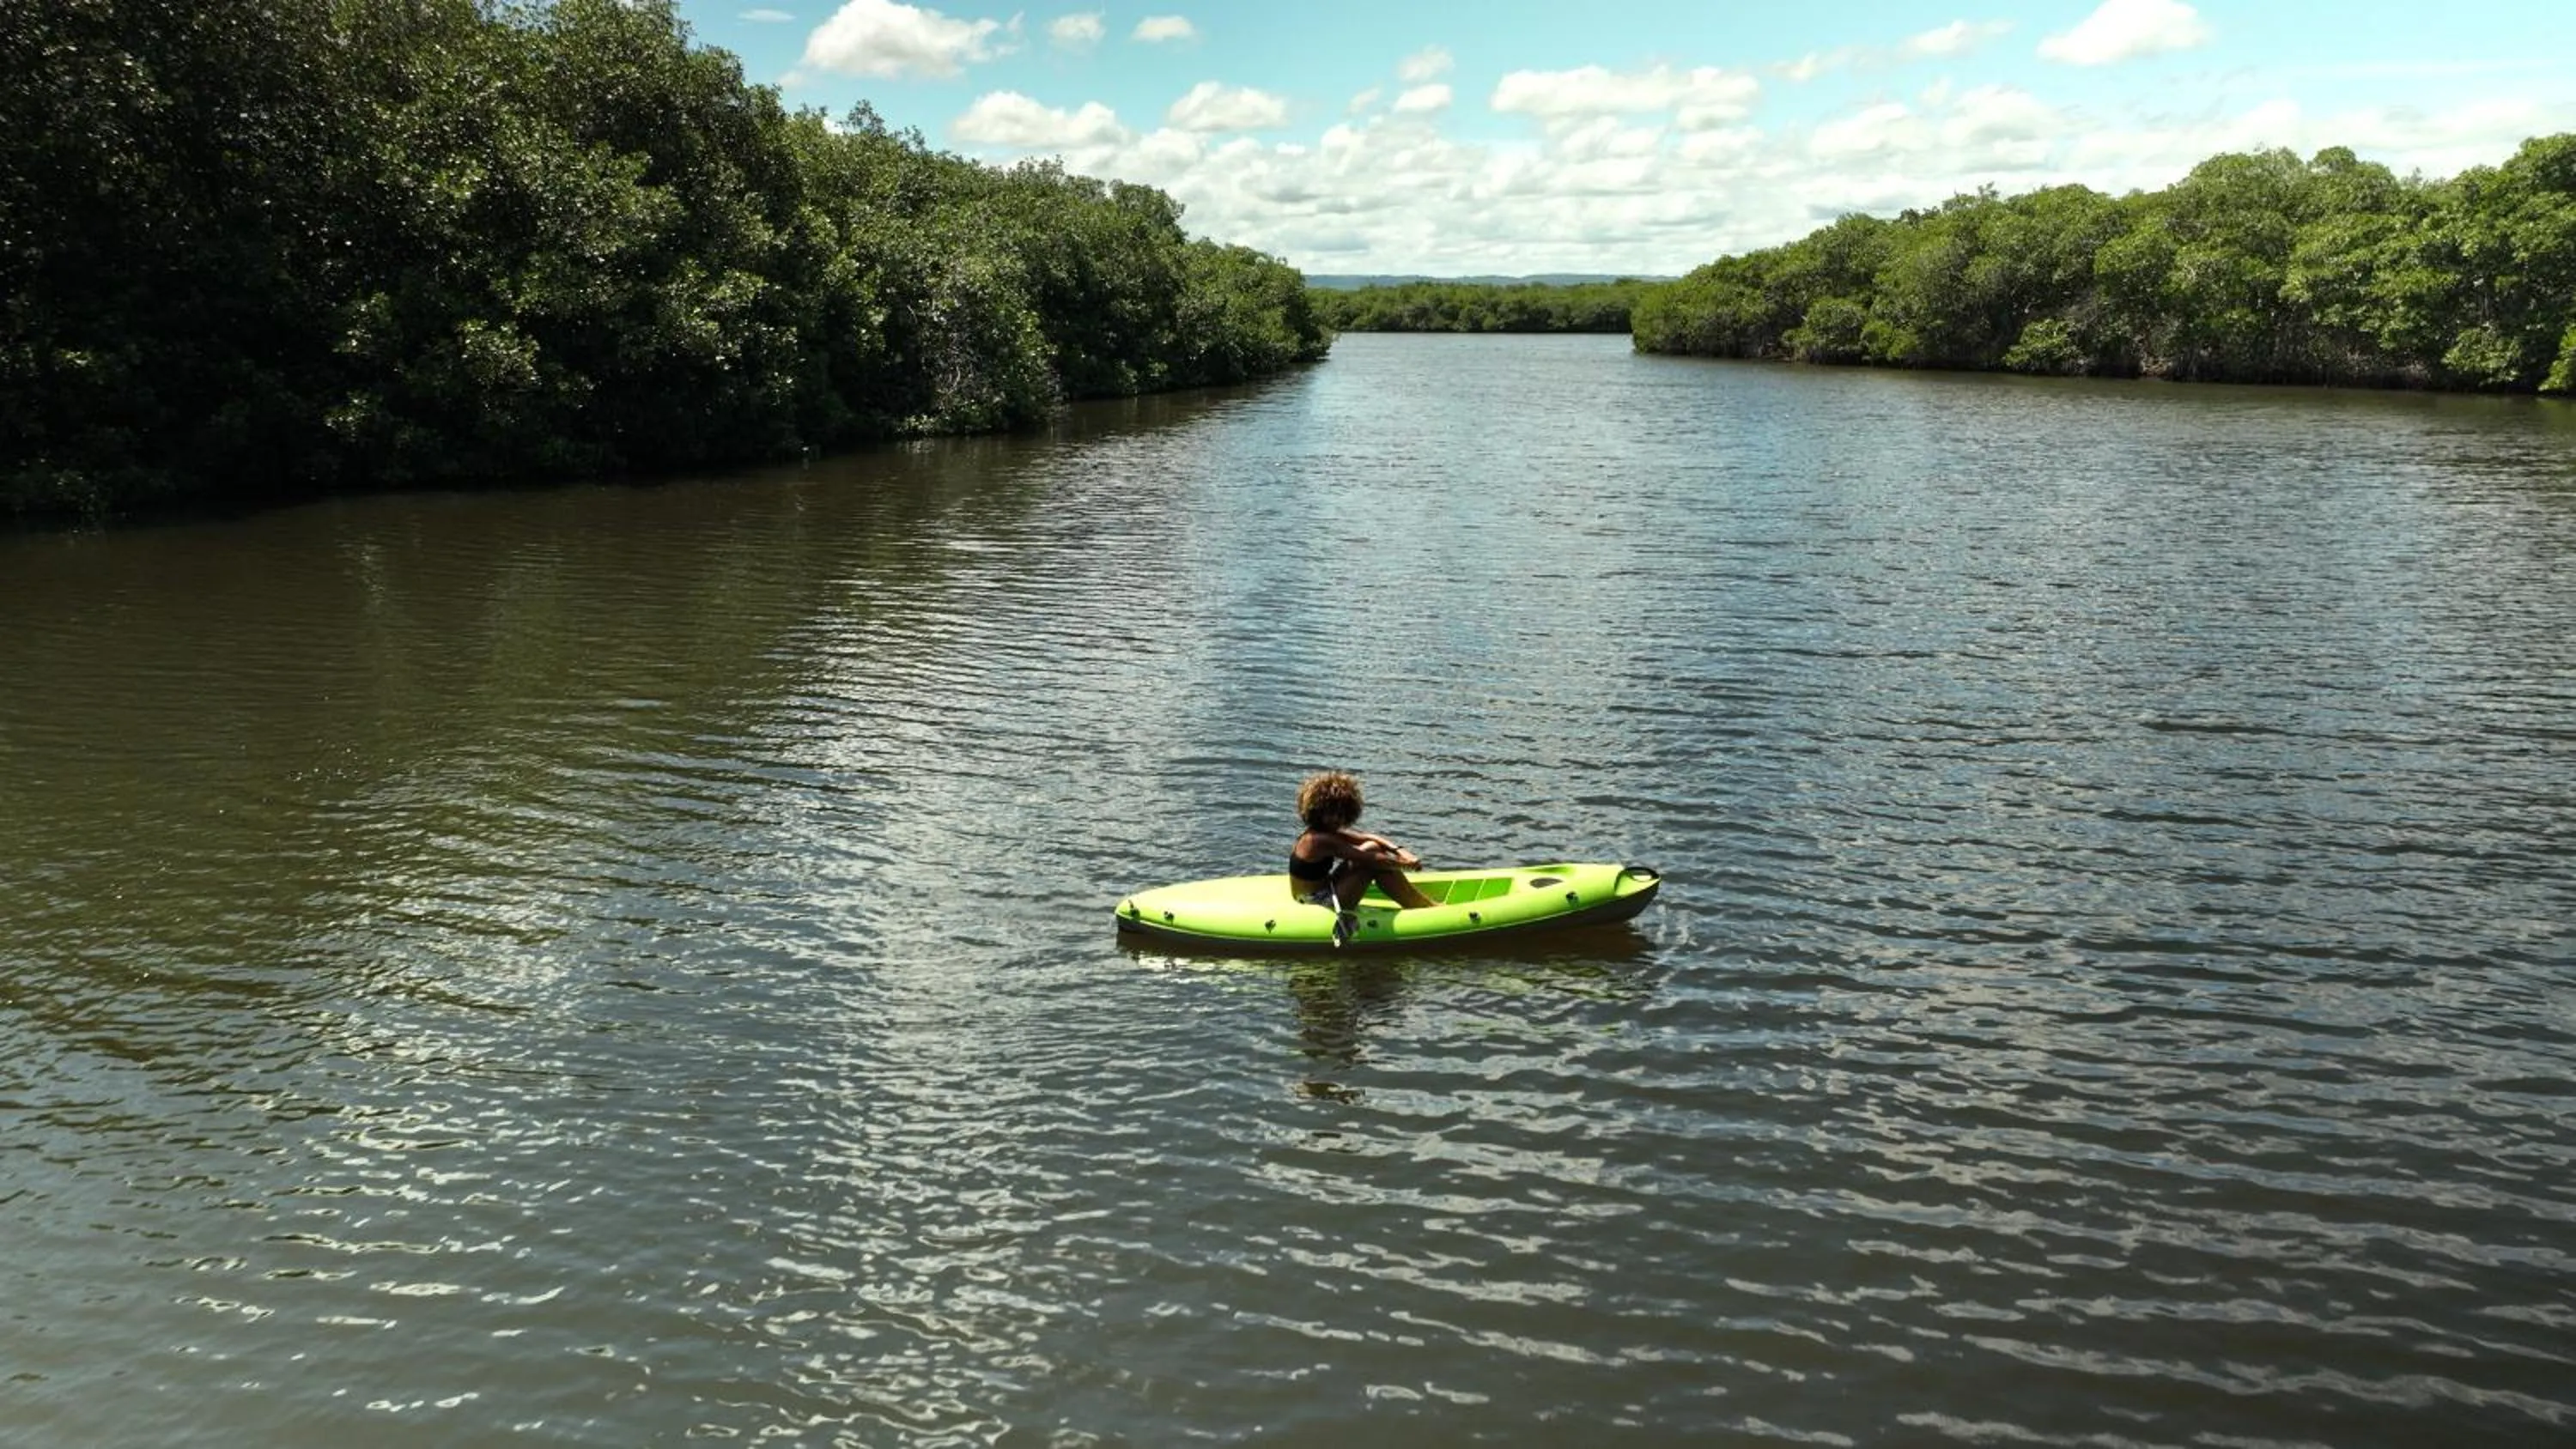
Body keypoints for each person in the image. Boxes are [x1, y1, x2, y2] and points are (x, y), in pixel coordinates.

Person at [1289, 771, 1436, 945]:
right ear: (1318, 810)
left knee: (1372, 848)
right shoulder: (1319, 840)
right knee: (1371, 863)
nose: (1337, 819)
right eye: (1332, 813)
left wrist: (1401, 851)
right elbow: (1371, 860)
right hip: (1319, 903)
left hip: (1322, 890)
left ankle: (1417, 902)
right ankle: (1421, 906)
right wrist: (1404, 865)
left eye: (1341, 813)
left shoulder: (1322, 831)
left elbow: (1368, 837)